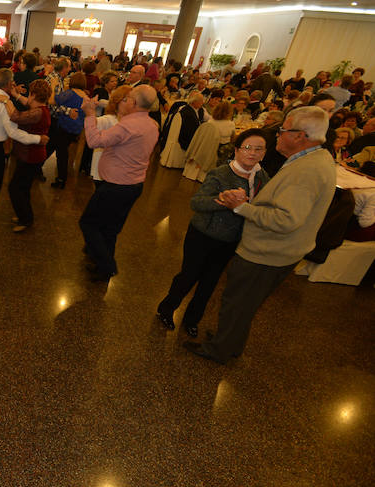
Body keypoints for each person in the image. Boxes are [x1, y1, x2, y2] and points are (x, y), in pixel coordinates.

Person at [184, 107, 336, 363]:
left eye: (283, 130)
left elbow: (285, 219)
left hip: (268, 252)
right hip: (281, 251)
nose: (278, 135)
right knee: (244, 305)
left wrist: (242, 208)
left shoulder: (306, 171)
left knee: (238, 302)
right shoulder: (316, 159)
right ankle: (230, 341)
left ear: (300, 136)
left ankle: (220, 349)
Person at [158, 129, 271, 337]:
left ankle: (192, 319)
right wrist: (224, 201)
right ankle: (166, 309)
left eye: (258, 149)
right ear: (236, 150)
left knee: (210, 282)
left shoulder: (262, 178)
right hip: (203, 235)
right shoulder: (220, 174)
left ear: (264, 153)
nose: (252, 153)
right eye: (247, 148)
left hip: (230, 240)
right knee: (189, 275)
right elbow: (196, 202)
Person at [79, 85, 160, 282]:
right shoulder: (152, 125)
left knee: (88, 223)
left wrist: (89, 114)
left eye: (127, 99)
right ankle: (103, 266)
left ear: (133, 103)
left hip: (116, 186)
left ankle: (107, 265)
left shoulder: (128, 126)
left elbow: (93, 141)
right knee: (110, 228)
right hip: (134, 184)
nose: (124, 101)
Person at [0, 68, 47, 229]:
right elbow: (13, 132)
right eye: (12, 82)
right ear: (8, 84)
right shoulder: (4, 104)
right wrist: (37, 138)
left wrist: (13, 93)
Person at [0, 79, 51, 232]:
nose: (28, 96)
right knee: (23, 188)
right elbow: (28, 102)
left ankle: (26, 219)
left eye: (30, 94)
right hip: (32, 155)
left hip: (31, 156)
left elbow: (16, 116)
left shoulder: (37, 112)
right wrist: (15, 95)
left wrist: (7, 100)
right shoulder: (40, 108)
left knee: (15, 188)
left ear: (34, 95)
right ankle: (24, 216)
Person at [49, 72, 88, 188]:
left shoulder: (70, 93)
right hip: (76, 129)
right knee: (57, 148)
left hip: (64, 127)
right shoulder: (85, 96)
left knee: (61, 153)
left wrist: (52, 86)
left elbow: (51, 101)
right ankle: (59, 177)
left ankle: (61, 179)